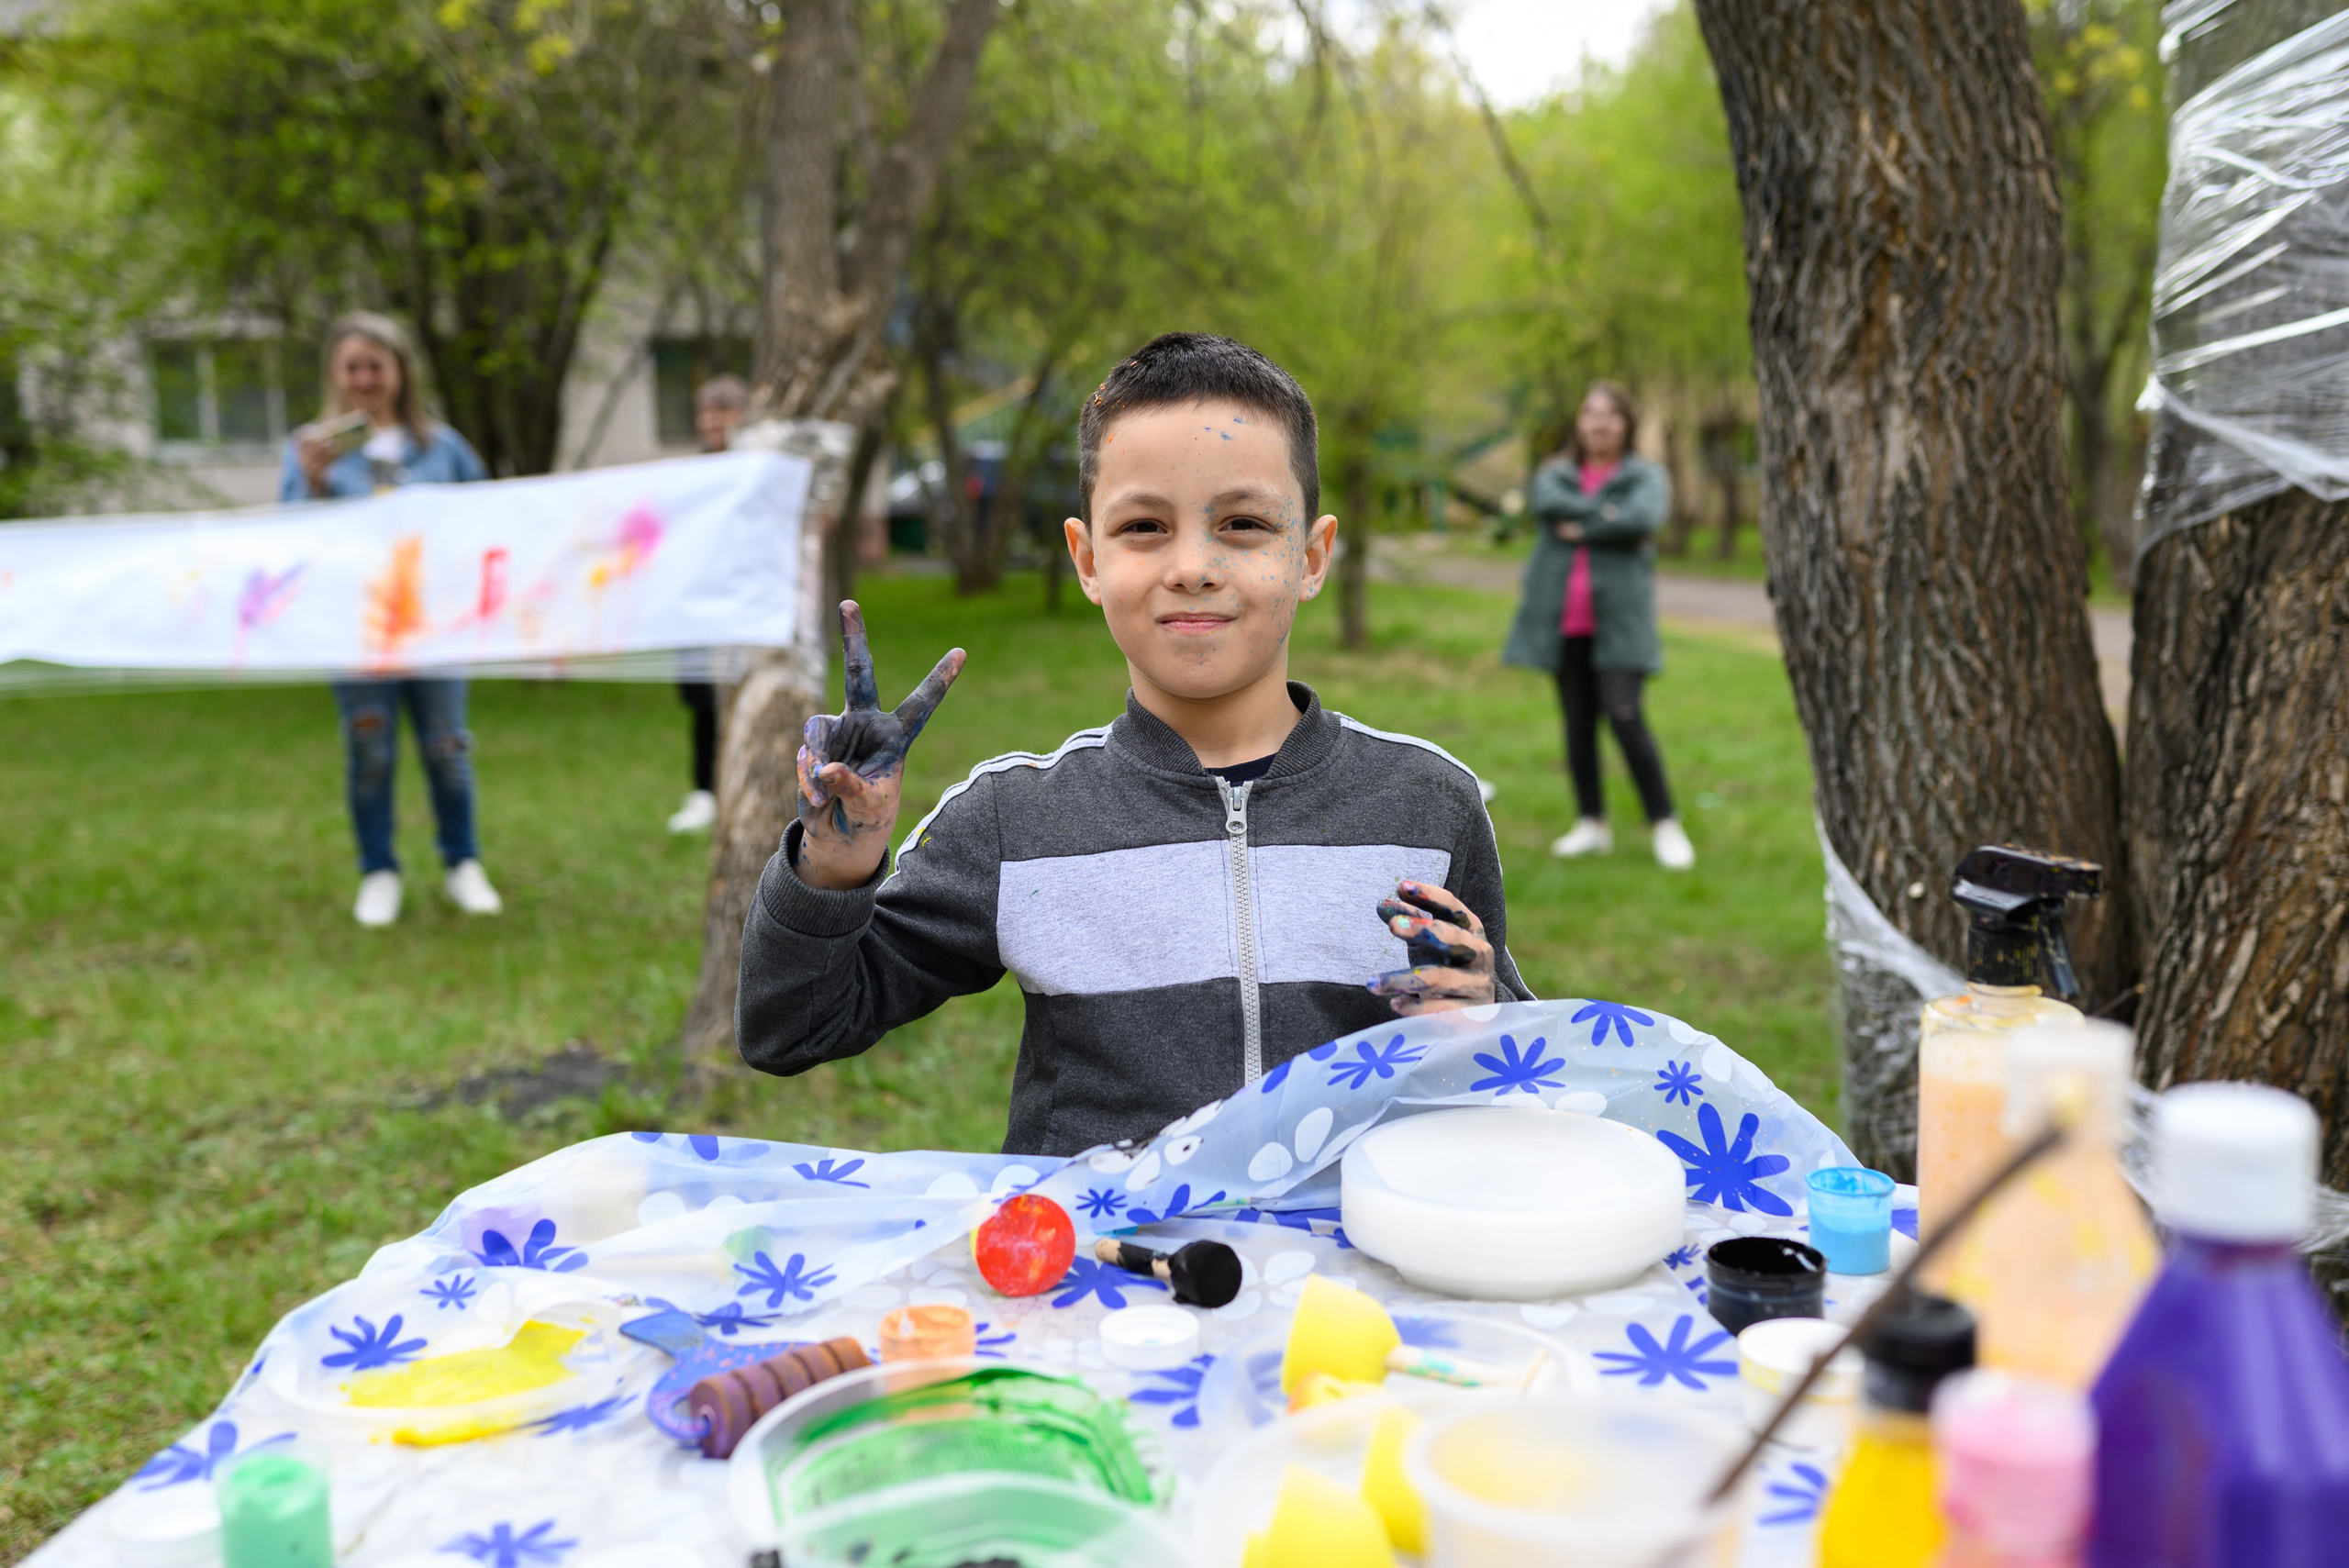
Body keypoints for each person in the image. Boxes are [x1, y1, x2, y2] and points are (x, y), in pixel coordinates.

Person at [736, 332, 1533, 1157]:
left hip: (1344, 1237)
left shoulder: (1426, 804)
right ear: (1088, 559)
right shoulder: (1016, 821)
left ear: (1311, 556)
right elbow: (790, 1027)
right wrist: (832, 865)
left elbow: (1520, 1068)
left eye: (1244, 523)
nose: (1192, 566)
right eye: (1146, 526)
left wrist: (1481, 1022)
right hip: (1102, 1240)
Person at [280, 312, 501, 927]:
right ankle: (378, 870)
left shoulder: (442, 448)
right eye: (352, 367)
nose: (364, 379)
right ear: (335, 373)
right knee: (370, 750)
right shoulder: (311, 450)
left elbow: (489, 517)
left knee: (448, 748)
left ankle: (462, 862)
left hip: (435, 628)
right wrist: (313, 484)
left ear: (401, 371)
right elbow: (290, 538)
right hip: (357, 632)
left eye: (375, 366)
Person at [1502, 383, 1694, 871]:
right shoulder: (1556, 473)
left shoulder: (1646, 475)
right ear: (1579, 422)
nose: (1600, 422)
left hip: (1621, 622)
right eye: (1591, 412)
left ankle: (1665, 822)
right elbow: (1547, 502)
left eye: (1611, 413)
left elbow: (1644, 516)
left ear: (1627, 423)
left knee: (1626, 717)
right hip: (1566, 621)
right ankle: (1592, 824)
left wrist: (1585, 523)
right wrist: (1610, 516)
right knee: (1577, 722)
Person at [667, 373, 750, 834]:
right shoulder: (692, 476)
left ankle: (744, 788)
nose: (714, 422)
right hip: (698, 607)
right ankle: (705, 791)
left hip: (744, 605)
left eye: (724, 411)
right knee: (702, 703)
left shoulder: (758, 471)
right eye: (707, 412)